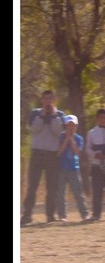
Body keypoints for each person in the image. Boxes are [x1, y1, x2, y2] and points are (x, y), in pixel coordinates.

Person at [21, 89, 67, 225]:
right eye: (45, 98)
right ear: (42, 100)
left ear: (54, 100)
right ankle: (27, 215)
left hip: (52, 155)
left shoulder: (60, 114)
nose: (48, 101)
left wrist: (53, 115)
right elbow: (34, 129)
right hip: (37, 153)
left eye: (50, 98)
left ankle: (50, 215)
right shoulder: (35, 113)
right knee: (32, 187)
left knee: (52, 187)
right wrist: (41, 115)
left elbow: (58, 131)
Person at [57, 114, 89, 222]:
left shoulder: (79, 138)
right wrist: (66, 140)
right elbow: (59, 152)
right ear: (65, 126)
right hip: (62, 168)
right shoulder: (60, 137)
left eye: (73, 125)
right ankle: (62, 215)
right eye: (69, 125)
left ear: (76, 126)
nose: (71, 128)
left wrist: (72, 140)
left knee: (78, 193)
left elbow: (77, 152)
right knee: (61, 193)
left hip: (73, 168)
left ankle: (84, 214)